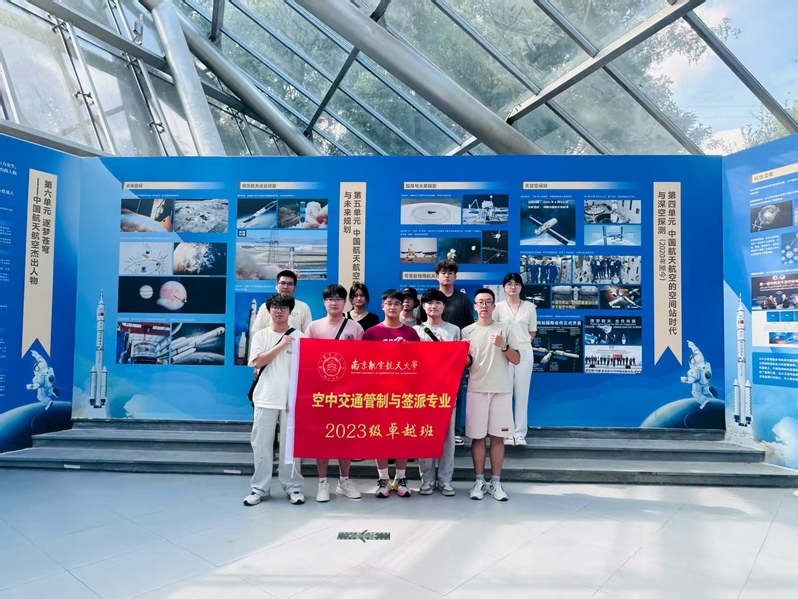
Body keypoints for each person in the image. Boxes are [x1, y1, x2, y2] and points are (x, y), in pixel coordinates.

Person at [244, 294, 305, 506]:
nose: (279, 311)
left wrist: (297, 396)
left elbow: (305, 369)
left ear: (290, 311)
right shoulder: (260, 336)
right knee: (261, 445)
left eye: (284, 307)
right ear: (269, 311)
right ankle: (260, 488)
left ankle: (293, 487)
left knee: (291, 446)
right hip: (265, 397)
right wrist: (280, 346)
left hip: (291, 401)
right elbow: (257, 361)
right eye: (275, 307)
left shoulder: (300, 337)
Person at [305, 284, 364, 502]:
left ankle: (344, 481)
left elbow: (361, 360)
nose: (334, 303)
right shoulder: (313, 327)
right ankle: (322, 483)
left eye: (338, 299)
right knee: (322, 437)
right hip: (321, 393)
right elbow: (307, 362)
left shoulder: (355, 328)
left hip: (347, 393)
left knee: (344, 436)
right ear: (324, 302)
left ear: (345, 302)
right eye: (330, 299)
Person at [462, 288, 521, 502]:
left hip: (501, 390)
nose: (484, 305)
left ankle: (496, 482)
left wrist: (503, 346)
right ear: (475, 306)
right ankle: (479, 481)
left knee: (497, 438)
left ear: (494, 306)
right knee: (478, 438)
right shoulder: (467, 331)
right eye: (480, 302)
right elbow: (468, 362)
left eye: (488, 302)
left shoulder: (506, 328)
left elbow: (516, 359)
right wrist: (459, 354)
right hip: (476, 389)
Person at [363, 289, 420, 498]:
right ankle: (383, 479)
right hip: (378, 394)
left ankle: (401, 478)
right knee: (380, 436)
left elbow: (419, 362)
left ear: (403, 306)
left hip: (403, 394)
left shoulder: (411, 333)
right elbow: (362, 363)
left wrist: (407, 350)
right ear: (382, 306)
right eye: (389, 303)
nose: (393, 307)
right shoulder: (371, 333)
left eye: (397, 303)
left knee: (402, 435)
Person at [420, 260, 475, 445]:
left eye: (450, 273)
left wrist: (465, 351)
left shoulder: (463, 299)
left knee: (456, 392)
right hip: (430, 359)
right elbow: (422, 325)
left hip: (454, 356)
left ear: (455, 277)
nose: (447, 276)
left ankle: (456, 431)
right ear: (436, 276)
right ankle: (430, 427)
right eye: (443, 272)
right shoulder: (428, 299)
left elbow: (469, 327)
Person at [414, 289, 461, 497]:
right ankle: (427, 479)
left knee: (447, 438)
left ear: (444, 306)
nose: (434, 306)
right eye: (429, 303)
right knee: (425, 435)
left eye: (438, 303)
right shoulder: (416, 331)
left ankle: (445, 479)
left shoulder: (454, 331)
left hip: (447, 391)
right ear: (423, 306)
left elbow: (461, 359)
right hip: (423, 391)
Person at [494, 273, 537, 446]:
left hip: (524, 353)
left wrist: (521, 344)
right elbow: (494, 330)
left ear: (521, 287)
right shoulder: (497, 307)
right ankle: (506, 432)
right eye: (509, 284)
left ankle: (519, 434)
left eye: (516, 284)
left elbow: (532, 331)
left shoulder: (530, 307)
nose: (513, 287)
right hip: (503, 354)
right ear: (504, 288)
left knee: (522, 394)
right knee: (505, 394)